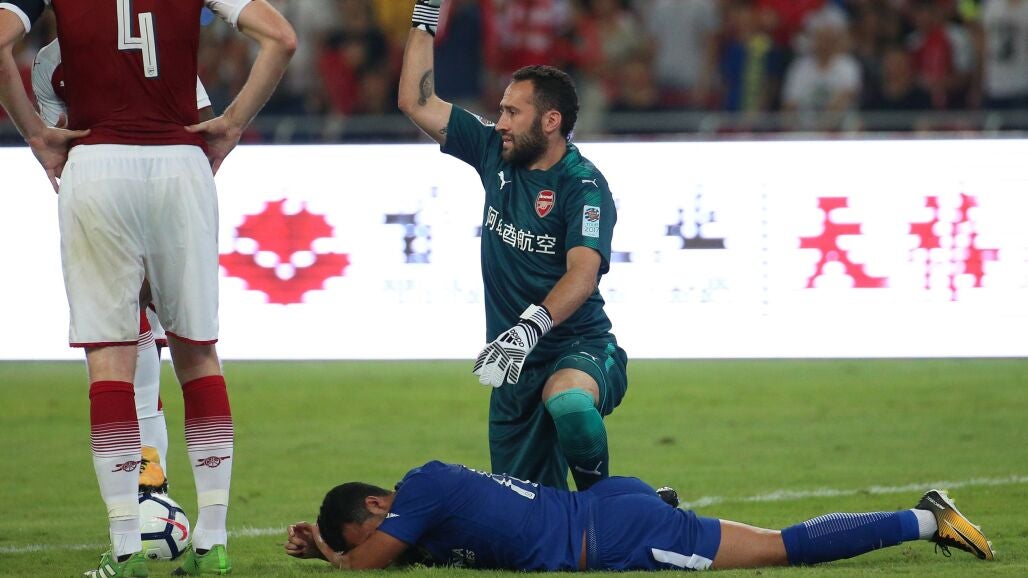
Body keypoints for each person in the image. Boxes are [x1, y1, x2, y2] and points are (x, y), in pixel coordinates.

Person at [0, 1, 296, 576]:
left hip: (97, 163)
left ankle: (126, 546)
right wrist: (234, 123)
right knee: (198, 353)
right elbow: (282, 38)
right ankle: (213, 542)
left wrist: (34, 133)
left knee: (110, 360)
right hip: (179, 162)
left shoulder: (56, 53)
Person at [397, 0, 628, 492]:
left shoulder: (584, 186)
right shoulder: (493, 152)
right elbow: (417, 103)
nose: (500, 121)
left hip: (576, 346)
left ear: (550, 121)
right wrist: (426, 14)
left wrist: (530, 327)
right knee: (527, 517)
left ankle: (608, 503)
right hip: (511, 365)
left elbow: (583, 273)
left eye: (512, 112)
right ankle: (633, 508)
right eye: (501, 110)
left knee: (569, 402)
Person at [31, 36, 220, 495]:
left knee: (146, 340)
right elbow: (61, 138)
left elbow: (199, 122)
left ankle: (149, 492)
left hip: (152, 187)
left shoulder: (66, 55)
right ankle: (154, 487)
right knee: (138, 334)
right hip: (115, 195)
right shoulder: (51, 61)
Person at [284, 460, 995, 571]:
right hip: (606, 505)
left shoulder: (419, 490)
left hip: (614, 535)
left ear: (379, 504)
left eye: (371, 531)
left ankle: (928, 519)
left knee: (781, 548)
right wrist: (332, 549)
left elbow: (365, 565)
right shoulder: (430, 511)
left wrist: (332, 553)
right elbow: (386, 556)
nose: (382, 544)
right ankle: (661, 506)